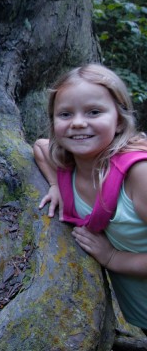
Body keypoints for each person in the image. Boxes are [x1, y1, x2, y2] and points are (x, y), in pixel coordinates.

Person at [33, 64, 147, 335]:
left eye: (94, 112)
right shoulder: (71, 166)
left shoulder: (138, 174)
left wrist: (112, 257)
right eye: (65, 114)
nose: (78, 123)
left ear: (119, 120)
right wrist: (55, 185)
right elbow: (39, 146)